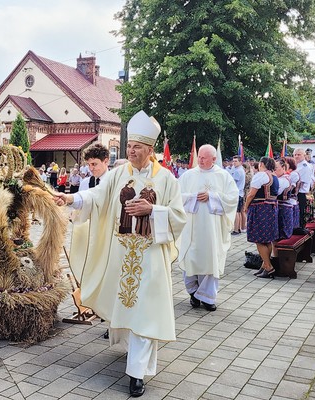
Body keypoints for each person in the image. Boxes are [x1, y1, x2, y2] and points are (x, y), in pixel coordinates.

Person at [53, 110, 186, 397]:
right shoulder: (116, 175)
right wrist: (71, 198)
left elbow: (178, 217)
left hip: (150, 257)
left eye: (136, 147)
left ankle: (137, 373)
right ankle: (128, 349)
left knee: (145, 312)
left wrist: (153, 210)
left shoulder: (166, 180)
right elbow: (96, 198)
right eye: (129, 146)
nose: (131, 151)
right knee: (125, 305)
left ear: (150, 150)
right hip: (121, 254)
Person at [178, 144, 238, 311]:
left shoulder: (223, 176)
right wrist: (193, 197)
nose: (200, 160)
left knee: (211, 259)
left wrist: (212, 197)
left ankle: (208, 297)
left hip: (213, 230)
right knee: (190, 258)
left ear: (213, 159)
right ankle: (193, 292)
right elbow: (177, 197)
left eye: (204, 157)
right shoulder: (188, 175)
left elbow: (233, 199)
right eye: (199, 157)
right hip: (191, 227)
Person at [244, 157, 279, 278]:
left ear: (262, 164)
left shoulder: (261, 175)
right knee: (267, 239)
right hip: (271, 209)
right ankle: (264, 265)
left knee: (259, 239)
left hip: (260, 208)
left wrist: (245, 206)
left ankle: (269, 267)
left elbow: (251, 194)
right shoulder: (274, 177)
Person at [293, 148, 315, 227]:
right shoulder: (297, 165)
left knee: (300, 212)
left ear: (304, 155)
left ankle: (300, 227)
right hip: (296, 192)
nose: (296, 156)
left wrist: (294, 193)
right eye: (295, 155)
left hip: (300, 192)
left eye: (299, 154)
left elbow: (301, 182)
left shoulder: (305, 166)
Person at [230, 156, 246, 235]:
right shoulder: (240, 169)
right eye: (233, 161)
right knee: (239, 212)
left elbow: (232, 182)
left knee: (236, 212)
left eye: (236, 161)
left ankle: (236, 229)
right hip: (240, 193)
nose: (234, 163)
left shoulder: (238, 171)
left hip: (237, 193)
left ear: (240, 162)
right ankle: (238, 228)